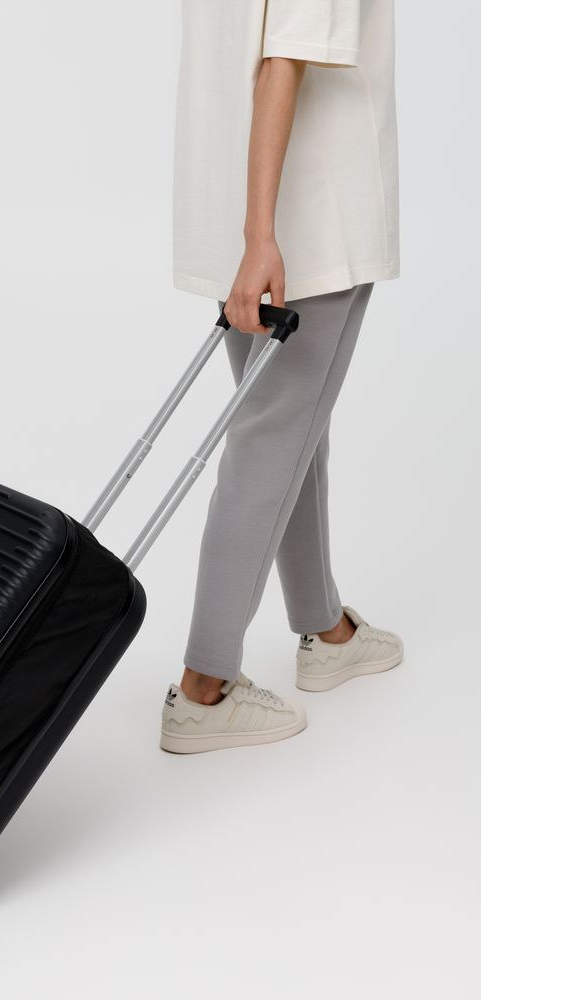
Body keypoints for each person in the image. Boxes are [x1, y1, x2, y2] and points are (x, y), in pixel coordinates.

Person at [161, 0, 404, 754]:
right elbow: (283, 60)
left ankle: (326, 631)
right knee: (272, 441)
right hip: (307, 223)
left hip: (238, 216)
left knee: (293, 432)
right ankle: (204, 688)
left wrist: (245, 235)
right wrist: (263, 235)